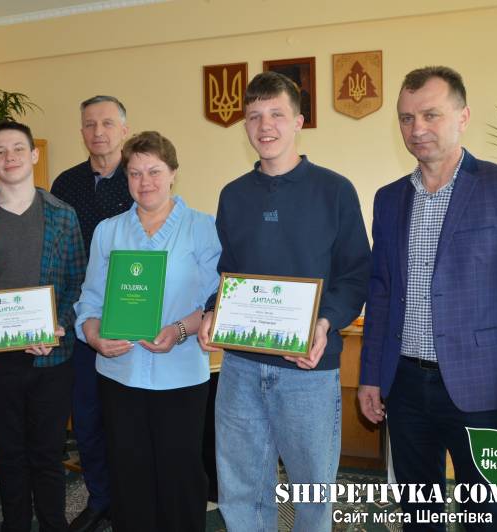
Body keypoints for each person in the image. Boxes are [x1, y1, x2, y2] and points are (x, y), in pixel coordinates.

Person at [358, 66, 497, 530]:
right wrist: (370, 377)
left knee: (485, 517)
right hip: (405, 388)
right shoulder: (389, 199)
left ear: (463, 117)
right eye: (406, 118)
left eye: (431, 115)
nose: (417, 128)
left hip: (482, 392)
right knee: (418, 515)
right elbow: (381, 294)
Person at [198, 71, 371, 531]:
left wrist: (325, 322)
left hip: (307, 370)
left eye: (276, 113)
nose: (265, 125)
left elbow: (356, 275)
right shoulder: (233, 196)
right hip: (240, 367)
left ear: (298, 121)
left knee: (312, 492)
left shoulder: (335, 190)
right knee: (242, 491)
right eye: (254, 116)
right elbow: (229, 273)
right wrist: (214, 310)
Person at [75, 131, 221, 532]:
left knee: (180, 476)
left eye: (154, 171)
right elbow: (90, 299)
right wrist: (94, 336)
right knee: (129, 474)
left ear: (173, 173)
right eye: (135, 173)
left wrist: (179, 329)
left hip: (181, 374)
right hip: (120, 374)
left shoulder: (202, 227)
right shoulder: (108, 230)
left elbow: (216, 300)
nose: (145, 182)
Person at [0, 121, 86, 532]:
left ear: (34, 155)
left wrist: (59, 325)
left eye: (18, 149)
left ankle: (54, 524)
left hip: (50, 358)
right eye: (0, 151)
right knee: (8, 456)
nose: (10, 158)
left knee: (47, 454)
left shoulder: (63, 216)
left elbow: (78, 284)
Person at [50, 95, 133, 532]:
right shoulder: (66, 184)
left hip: (133, 319)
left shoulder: (140, 175)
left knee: (128, 419)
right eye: (89, 124)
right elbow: (55, 254)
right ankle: (101, 500)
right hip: (81, 322)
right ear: (81, 131)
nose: (98, 132)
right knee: (87, 419)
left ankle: (133, 501)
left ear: (124, 129)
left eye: (107, 123)